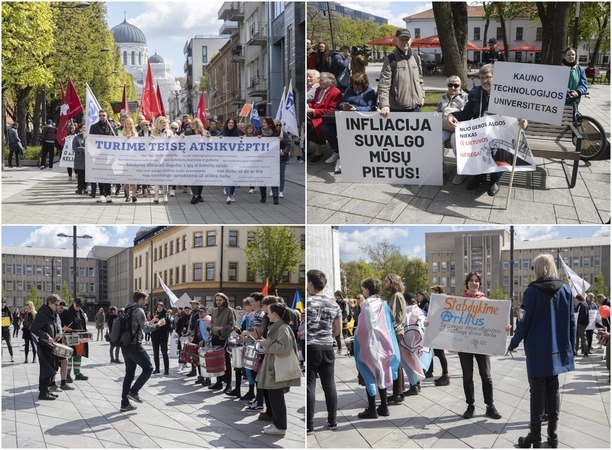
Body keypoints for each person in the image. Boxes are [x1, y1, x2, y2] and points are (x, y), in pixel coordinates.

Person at [507, 254, 575, 449]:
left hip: (537, 349)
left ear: (537, 268)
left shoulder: (532, 291)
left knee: (537, 392)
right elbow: (571, 321)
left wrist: (513, 343)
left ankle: (534, 434)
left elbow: (523, 321)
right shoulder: (566, 291)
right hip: (558, 348)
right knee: (553, 390)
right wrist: (570, 347)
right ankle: (553, 435)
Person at [447, 64, 528, 196]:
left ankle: (494, 180)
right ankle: (479, 174)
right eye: (482, 77)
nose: (485, 80)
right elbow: (466, 113)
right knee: (457, 138)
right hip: (480, 130)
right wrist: (452, 115)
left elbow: (519, 115)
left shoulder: (507, 94)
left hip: (501, 131)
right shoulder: (475, 93)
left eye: (488, 77)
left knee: (496, 142)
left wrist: (524, 122)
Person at [458, 272, 502, 420]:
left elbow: (495, 321)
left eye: (476, 281)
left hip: (482, 344)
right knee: (467, 376)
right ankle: (470, 405)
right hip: (464, 344)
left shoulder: (486, 301)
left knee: (486, 375)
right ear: (467, 283)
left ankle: (490, 406)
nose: (474, 283)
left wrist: (504, 327)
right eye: (471, 280)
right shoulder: (459, 302)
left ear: (480, 284)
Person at [354, 278, 400, 419]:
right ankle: (384, 406)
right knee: (382, 374)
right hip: (385, 345)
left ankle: (372, 408)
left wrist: (356, 339)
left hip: (370, 345)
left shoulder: (367, 304)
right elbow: (390, 323)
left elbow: (365, 327)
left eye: (364, 288)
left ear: (367, 289)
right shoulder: (383, 304)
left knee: (369, 376)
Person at [256, 302, 301, 435]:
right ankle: (277, 423)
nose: (267, 315)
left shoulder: (283, 328)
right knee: (274, 397)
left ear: (275, 314)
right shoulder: (279, 327)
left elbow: (284, 348)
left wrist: (267, 343)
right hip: (273, 367)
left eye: (269, 312)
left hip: (276, 368)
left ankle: (280, 426)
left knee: (277, 398)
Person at [306, 269, 341, 434]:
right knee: (329, 385)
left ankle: (309, 425)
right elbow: (338, 329)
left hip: (311, 346)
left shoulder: (306, 302)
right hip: (327, 346)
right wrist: (328, 336)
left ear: (311, 283)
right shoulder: (333, 303)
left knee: (310, 385)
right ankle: (333, 421)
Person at [321, 72, 377, 174]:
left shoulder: (370, 92)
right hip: (345, 117)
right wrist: (344, 106)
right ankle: (337, 151)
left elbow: (369, 108)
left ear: (364, 84)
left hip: (360, 120)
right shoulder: (349, 90)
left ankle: (346, 157)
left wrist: (356, 109)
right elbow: (341, 103)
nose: (356, 87)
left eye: (359, 84)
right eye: (354, 84)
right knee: (326, 128)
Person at [120, 290, 166, 412]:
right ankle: (134, 391)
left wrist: (150, 322)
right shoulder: (139, 310)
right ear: (140, 300)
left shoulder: (127, 308)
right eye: (145, 300)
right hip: (135, 346)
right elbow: (145, 329)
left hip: (125, 346)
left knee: (129, 374)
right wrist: (159, 325)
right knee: (149, 368)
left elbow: (138, 325)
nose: (146, 303)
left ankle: (124, 403)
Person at [377, 29, 425, 117]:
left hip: (416, 108)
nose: (405, 42)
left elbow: (420, 79)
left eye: (407, 39)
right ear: (396, 40)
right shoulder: (391, 59)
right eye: (401, 39)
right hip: (397, 109)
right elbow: (384, 84)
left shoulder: (416, 58)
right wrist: (384, 105)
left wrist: (422, 95)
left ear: (411, 40)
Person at [436, 76, 469, 184]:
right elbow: (437, 112)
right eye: (450, 85)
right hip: (444, 128)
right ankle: (440, 166)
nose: (453, 87)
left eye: (456, 85)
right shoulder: (443, 98)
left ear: (460, 86)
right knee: (436, 138)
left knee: (456, 140)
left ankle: (462, 170)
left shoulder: (466, 98)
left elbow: (468, 115)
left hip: (459, 130)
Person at [29, 294, 61, 400]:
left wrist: (56, 334)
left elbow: (50, 327)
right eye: (56, 304)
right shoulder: (43, 313)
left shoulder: (50, 313)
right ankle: (43, 393)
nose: (57, 306)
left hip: (49, 345)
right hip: (44, 345)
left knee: (50, 368)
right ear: (50, 302)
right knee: (46, 369)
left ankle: (46, 390)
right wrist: (47, 336)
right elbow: (34, 328)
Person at [307, 72, 342, 164]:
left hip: (322, 117)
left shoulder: (335, 92)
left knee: (311, 125)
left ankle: (319, 152)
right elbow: (315, 102)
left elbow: (330, 109)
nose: (319, 82)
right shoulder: (319, 89)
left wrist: (313, 111)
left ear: (328, 81)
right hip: (313, 114)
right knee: (305, 123)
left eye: (321, 80)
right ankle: (307, 151)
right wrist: (308, 106)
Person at [384, 274, 407, 405]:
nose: (384, 283)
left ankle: (398, 393)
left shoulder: (397, 296)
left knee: (395, 362)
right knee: (395, 361)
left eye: (386, 281)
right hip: (395, 331)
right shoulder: (395, 296)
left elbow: (395, 317)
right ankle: (398, 391)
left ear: (393, 282)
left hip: (395, 332)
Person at [209, 293, 235, 393]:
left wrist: (222, 329)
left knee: (226, 361)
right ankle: (219, 382)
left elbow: (232, 325)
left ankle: (228, 384)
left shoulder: (229, 310)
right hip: (215, 338)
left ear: (224, 300)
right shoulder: (214, 311)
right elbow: (212, 323)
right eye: (217, 300)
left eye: (220, 300)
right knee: (216, 361)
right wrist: (211, 330)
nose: (218, 302)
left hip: (224, 338)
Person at [89, 110, 116, 202]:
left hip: (108, 156)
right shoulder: (93, 127)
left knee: (108, 174)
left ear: (107, 116)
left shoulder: (111, 127)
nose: (102, 117)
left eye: (104, 115)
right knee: (100, 174)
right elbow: (91, 141)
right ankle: (102, 194)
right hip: (98, 156)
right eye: (100, 115)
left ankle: (108, 194)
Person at [60, 297, 89, 382]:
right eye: (77, 305)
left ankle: (77, 373)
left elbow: (82, 322)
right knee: (70, 355)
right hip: (70, 336)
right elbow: (59, 321)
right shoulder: (66, 312)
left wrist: (85, 328)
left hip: (80, 337)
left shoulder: (81, 312)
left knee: (78, 355)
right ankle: (67, 374)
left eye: (80, 306)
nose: (78, 307)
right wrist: (64, 327)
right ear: (73, 302)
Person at [428, 285, 450, 386]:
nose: (432, 293)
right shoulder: (437, 301)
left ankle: (446, 376)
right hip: (436, 330)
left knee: (441, 354)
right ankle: (444, 375)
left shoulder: (442, 301)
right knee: (439, 353)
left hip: (440, 331)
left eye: (434, 291)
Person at [220, 118, 242, 204]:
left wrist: (242, 138)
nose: (231, 124)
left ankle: (232, 193)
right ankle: (228, 196)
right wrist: (219, 138)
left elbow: (246, 139)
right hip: (225, 159)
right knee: (227, 177)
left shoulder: (237, 133)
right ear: (227, 123)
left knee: (233, 177)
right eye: (229, 122)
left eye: (232, 123)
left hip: (235, 159)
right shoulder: (222, 132)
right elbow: (215, 140)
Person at [188, 118, 210, 205]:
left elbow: (212, 143)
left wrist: (210, 138)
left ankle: (199, 194)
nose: (191, 125)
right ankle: (195, 195)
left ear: (198, 124)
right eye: (191, 124)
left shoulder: (205, 133)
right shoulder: (189, 133)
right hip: (192, 159)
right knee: (193, 176)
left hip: (202, 159)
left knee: (201, 177)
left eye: (193, 124)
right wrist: (182, 137)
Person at [562, 47, 588, 111]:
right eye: (568, 55)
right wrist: (569, 92)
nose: (571, 56)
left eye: (573, 55)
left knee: (573, 119)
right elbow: (557, 83)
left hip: (574, 101)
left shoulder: (580, 69)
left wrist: (578, 91)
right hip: (561, 100)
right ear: (565, 56)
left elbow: (583, 84)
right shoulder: (560, 68)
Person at [151, 302, 171, 375]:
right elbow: (151, 325)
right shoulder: (155, 315)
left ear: (163, 307)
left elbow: (169, 327)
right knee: (155, 354)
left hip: (163, 337)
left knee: (164, 354)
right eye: (158, 307)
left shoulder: (165, 316)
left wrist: (161, 323)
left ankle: (166, 370)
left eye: (160, 307)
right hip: (155, 337)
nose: (159, 308)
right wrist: (153, 320)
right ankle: (157, 369)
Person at [121, 117, 139, 202]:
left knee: (134, 178)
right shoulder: (121, 134)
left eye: (130, 124)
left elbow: (138, 144)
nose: (128, 125)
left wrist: (131, 138)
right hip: (125, 159)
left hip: (133, 159)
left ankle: (134, 195)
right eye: (127, 123)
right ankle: (127, 195)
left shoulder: (135, 134)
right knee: (126, 178)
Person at [72, 122, 88, 195]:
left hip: (87, 158)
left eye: (85, 128)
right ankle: (79, 188)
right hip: (80, 158)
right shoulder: (76, 137)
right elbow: (74, 148)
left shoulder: (89, 137)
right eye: (83, 128)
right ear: (80, 129)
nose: (84, 129)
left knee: (86, 174)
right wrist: (82, 149)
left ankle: (85, 187)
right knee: (80, 174)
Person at [333, 290, 349, 355]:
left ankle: (349, 348)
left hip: (343, 321)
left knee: (345, 335)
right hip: (337, 321)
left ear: (340, 295)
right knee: (337, 335)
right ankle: (339, 349)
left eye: (336, 295)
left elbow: (346, 312)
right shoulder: (335, 303)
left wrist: (342, 319)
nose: (336, 297)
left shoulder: (344, 303)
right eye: (335, 296)